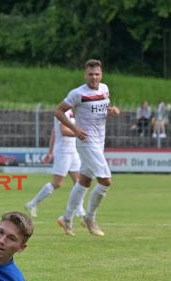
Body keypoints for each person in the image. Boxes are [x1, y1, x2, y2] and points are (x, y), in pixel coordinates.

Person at [55, 59, 120, 237]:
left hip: (100, 142)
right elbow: (58, 111)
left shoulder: (105, 89)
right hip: (86, 142)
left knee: (84, 181)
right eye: (90, 74)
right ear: (85, 75)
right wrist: (75, 130)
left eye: (97, 74)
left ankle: (66, 218)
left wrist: (112, 111)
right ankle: (89, 218)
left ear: (101, 74)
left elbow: (102, 111)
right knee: (106, 180)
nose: (94, 77)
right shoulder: (77, 93)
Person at [25, 110, 85, 218]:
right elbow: (63, 131)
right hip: (63, 152)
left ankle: (80, 210)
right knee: (57, 183)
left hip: (72, 151)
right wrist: (79, 134)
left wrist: (50, 152)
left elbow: (54, 133)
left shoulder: (72, 112)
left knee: (79, 181)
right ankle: (32, 203)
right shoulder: (64, 112)